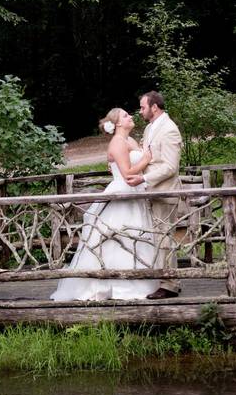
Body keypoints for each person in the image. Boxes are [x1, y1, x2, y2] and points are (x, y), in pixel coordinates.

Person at [50, 108, 160, 301]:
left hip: (135, 194)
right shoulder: (117, 143)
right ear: (117, 123)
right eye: (126, 116)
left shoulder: (130, 141)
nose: (131, 117)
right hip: (122, 192)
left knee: (135, 234)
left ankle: (140, 278)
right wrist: (146, 159)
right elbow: (127, 174)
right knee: (118, 236)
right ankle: (114, 283)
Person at [125, 91, 183, 300]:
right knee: (157, 238)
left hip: (165, 192)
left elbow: (170, 167)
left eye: (142, 107)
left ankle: (170, 284)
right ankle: (163, 278)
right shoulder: (150, 128)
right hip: (151, 192)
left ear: (154, 107)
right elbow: (147, 158)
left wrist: (144, 180)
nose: (140, 111)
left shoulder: (169, 130)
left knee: (164, 238)